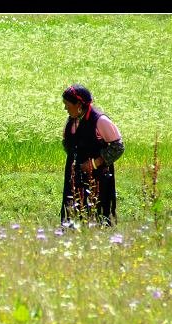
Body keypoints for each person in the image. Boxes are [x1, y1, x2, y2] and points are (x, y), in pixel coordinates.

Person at [60, 84, 125, 226]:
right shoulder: (72, 120)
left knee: (98, 213)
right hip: (74, 174)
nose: (65, 108)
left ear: (78, 104)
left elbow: (118, 146)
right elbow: (67, 143)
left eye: (67, 105)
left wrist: (95, 163)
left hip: (98, 176)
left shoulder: (100, 121)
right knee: (72, 212)